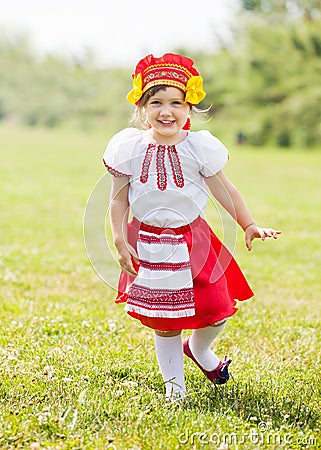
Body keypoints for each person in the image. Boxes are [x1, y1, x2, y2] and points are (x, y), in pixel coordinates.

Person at [103, 53, 281, 402]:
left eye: (175, 102)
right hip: (149, 242)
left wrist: (248, 224)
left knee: (217, 308)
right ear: (141, 108)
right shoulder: (130, 148)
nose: (165, 111)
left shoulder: (199, 148)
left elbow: (225, 191)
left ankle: (199, 350)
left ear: (189, 109)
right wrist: (120, 241)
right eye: (156, 102)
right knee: (166, 322)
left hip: (194, 239)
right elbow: (117, 200)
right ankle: (175, 389)